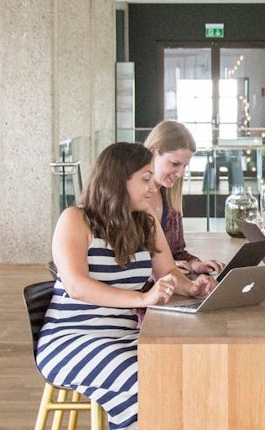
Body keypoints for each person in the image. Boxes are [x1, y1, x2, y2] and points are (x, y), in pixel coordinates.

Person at [36, 142, 216, 430]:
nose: (152, 187)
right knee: (144, 387)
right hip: (71, 340)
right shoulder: (75, 220)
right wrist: (142, 299)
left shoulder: (146, 222)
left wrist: (192, 288)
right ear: (118, 181)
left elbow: (167, 271)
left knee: (183, 375)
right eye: (145, 179)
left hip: (125, 338)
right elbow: (77, 286)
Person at [144, 120, 224, 276]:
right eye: (175, 163)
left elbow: (177, 252)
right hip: (136, 293)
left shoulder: (169, 198)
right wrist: (165, 266)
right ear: (153, 152)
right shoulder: (128, 198)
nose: (180, 174)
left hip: (166, 288)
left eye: (185, 166)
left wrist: (194, 264)